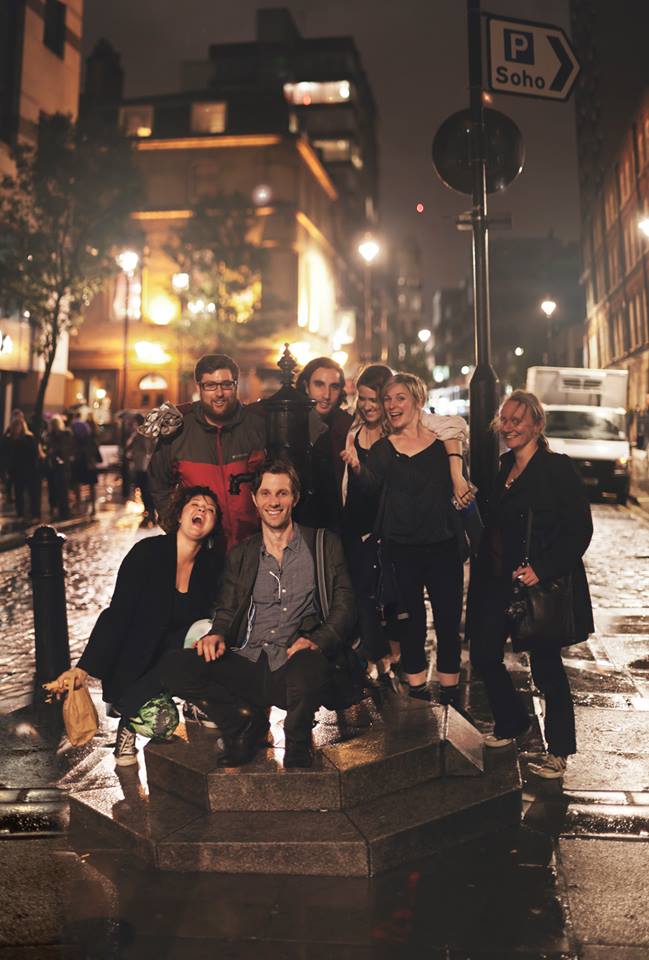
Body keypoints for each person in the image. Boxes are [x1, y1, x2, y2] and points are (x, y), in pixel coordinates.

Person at [159, 459, 356, 770]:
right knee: (173, 666)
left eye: (282, 493)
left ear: (295, 498)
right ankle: (241, 723)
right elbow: (227, 607)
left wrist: (319, 640)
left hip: (294, 660)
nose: (273, 502)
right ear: (254, 499)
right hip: (249, 660)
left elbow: (345, 604)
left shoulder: (322, 544)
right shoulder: (243, 553)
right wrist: (217, 634)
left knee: (311, 665)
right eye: (265, 493)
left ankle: (297, 739)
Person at [466, 390, 594, 779]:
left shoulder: (557, 469)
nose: (508, 428)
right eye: (504, 420)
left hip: (537, 585)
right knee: (484, 654)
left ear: (537, 425)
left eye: (517, 421)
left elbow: (580, 530)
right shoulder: (504, 466)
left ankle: (559, 751)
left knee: (547, 669)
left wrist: (543, 567)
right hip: (497, 581)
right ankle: (512, 722)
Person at [50, 486, 224, 765]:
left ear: (214, 524)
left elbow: (215, 617)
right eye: (195, 504)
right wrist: (84, 667)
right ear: (180, 515)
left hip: (176, 656)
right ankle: (128, 724)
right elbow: (117, 613)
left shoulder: (211, 565)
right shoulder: (147, 553)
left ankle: (194, 700)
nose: (202, 510)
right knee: (162, 722)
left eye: (210, 509)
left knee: (209, 630)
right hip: (137, 659)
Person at [342, 373, 473, 709]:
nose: (391, 405)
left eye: (399, 397)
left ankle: (451, 695)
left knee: (447, 622)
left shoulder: (442, 441)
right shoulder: (384, 448)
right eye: (387, 399)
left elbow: (458, 434)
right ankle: (417, 693)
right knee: (410, 623)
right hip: (400, 550)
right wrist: (356, 467)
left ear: (417, 399)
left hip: (443, 546)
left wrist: (459, 477)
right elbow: (370, 486)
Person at [146, 353, 266, 551]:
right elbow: (158, 483)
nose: (219, 393)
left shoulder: (256, 425)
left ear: (235, 385)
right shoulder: (178, 431)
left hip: (254, 546)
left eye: (226, 384)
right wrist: (178, 529)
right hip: (202, 550)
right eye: (210, 385)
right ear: (199, 387)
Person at [295, 356, 352, 530]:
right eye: (319, 385)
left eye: (334, 387)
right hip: (298, 522)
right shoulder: (290, 422)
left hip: (337, 524)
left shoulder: (348, 425)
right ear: (306, 387)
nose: (326, 395)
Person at [5, 411, 42, 521]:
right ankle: (20, 514)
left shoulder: (28, 438)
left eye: (18, 426)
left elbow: (34, 454)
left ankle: (35, 515)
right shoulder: (10, 439)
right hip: (16, 470)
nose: (16, 429)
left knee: (32, 493)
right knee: (18, 493)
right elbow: (7, 455)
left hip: (29, 469)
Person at [126, 413, 156, 527]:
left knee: (146, 491)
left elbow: (147, 449)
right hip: (141, 466)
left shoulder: (142, 434)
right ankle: (150, 514)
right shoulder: (140, 433)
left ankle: (150, 514)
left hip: (143, 466)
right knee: (144, 491)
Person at [70, 413, 101, 515]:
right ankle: (92, 507)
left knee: (78, 484)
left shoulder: (76, 441)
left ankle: (79, 505)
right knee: (91, 486)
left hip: (80, 463)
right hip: (89, 464)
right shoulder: (90, 439)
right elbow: (95, 452)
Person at [45, 415, 73, 520]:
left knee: (61, 488)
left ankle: (61, 509)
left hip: (60, 465)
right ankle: (58, 509)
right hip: (55, 465)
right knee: (56, 488)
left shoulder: (64, 435)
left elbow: (65, 449)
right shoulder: (51, 435)